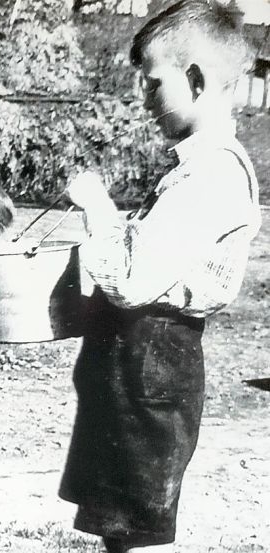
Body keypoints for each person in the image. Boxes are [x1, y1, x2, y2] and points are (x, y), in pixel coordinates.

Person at [59, 1, 261, 552]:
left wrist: (98, 204)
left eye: (152, 85)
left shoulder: (215, 172)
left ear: (195, 79)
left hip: (154, 367)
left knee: (141, 536)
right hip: (136, 363)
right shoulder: (193, 168)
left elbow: (131, 277)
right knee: (121, 528)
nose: (144, 100)